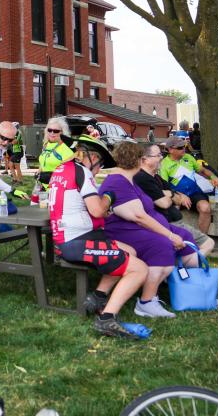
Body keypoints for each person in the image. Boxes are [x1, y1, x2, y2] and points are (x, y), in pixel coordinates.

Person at [48, 135, 148, 339]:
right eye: (100, 164)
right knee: (140, 269)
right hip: (74, 242)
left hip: (72, 236)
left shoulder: (61, 169)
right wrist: (109, 197)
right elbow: (97, 210)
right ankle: (106, 320)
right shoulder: (82, 172)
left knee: (130, 251)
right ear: (91, 157)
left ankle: (98, 297)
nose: (99, 169)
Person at [101, 142, 202, 319]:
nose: (160, 158)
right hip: (124, 231)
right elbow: (138, 216)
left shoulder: (129, 179)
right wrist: (169, 234)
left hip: (137, 227)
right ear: (140, 160)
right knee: (161, 244)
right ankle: (147, 302)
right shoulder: (117, 181)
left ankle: (194, 292)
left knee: (186, 237)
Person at [135, 144, 216, 257]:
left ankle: (183, 266)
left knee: (199, 246)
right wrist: (171, 195)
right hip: (167, 225)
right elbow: (164, 203)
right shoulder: (142, 178)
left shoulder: (156, 178)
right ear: (145, 159)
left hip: (174, 223)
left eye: (161, 154)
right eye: (158, 155)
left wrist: (170, 193)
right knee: (208, 243)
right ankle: (190, 266)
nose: (161, 158)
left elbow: (178, 199)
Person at [159, 136, 218, 234]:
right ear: (170, 150)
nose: (183, 149)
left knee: (205, 208)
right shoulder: (164, 164)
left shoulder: (189, 157)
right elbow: (164, 187)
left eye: (184, 146)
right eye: (180, 148)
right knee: (173, 211)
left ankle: (202, 240)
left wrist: (214, 177)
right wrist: (180, 196)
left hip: (194, 192)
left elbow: (203, 170)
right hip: (176, 194)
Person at [38, 117, 74, 189]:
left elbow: (70, 174)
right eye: (50, 130)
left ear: (62, 132)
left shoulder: (66, 149)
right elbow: (42, 164)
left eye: (56, 131)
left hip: (58, 189)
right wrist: (39, 174)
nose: (52, 133)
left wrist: (51, 176)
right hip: (43, 188)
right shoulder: (46, 144)